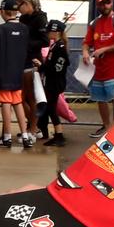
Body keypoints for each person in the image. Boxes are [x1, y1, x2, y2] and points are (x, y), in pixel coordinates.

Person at [0, 0, 34, 149]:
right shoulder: (24, 28)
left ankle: (7, 136)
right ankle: (26, 135)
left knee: (6, 103)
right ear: (16, 12)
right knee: (18, 102)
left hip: (4, 71)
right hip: (18, 71)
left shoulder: (2, 28)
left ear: (3, 12)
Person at [83, 0, 114, 138]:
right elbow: (86, 43)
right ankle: (106, 126)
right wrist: (85, 52)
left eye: (107, 2)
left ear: (112, 2)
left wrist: (105, 48)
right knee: (100, 100)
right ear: (97, 5)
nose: (105, 6)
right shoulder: (94, 23)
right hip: (98, 70)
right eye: (102, 3)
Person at [14, 0, 49, 135]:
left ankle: (34, 127)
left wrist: (27, 44)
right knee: (20, 97)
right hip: (22, 59)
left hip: (34, 60)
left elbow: (45, 41)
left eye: (19, 6)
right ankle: (31, 124)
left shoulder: (40, 18)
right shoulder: (23, 18)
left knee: (31, 97)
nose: (18, 10)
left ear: (26, 3)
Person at [37, 19, 70, 147]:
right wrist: (42, 66)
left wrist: (43, 67)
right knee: (50, 107)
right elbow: (50, 64)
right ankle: (58, 134)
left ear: (56, 32)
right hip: (51, 81)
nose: (48, 33)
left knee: (51, 107)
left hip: (55, 82)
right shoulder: (54, 45)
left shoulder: (60, 47)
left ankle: (59, 135)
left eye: (50, 31)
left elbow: (57, 67)